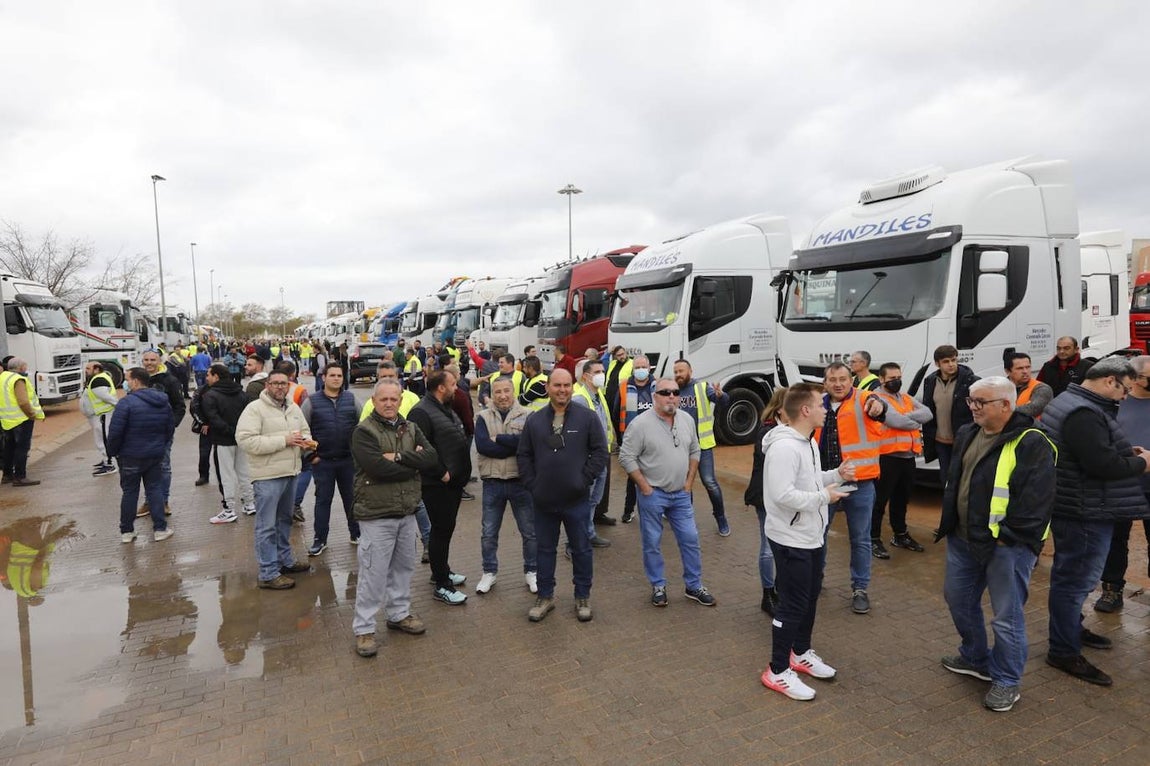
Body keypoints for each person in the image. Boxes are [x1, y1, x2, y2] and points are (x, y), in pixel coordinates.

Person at [936, 376, 1057, 712]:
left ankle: (1006, 679)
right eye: (971, 401)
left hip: (1006, 547)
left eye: (980, 402)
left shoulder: (1032, 442)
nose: (973, 408)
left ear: (1006, 405)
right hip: (964, 539)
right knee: (958, 599)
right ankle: (975, 658)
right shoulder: (968, 432)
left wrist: (1006, 538)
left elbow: (1036, 502)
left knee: (1006, 617)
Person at [1041, 357, 1150, 686]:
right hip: (1085, 512)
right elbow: (1101, 465)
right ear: (1109, 381)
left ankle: (1070, 631)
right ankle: (1063, 651)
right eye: (1124, 390)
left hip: (1078, 505)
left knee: (1069, 578)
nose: (1125, 397)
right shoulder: (1084, 413)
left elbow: (1090, 452)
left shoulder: (1070, 399)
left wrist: (1124, 452)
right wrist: (1142, 464)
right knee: (1074, 582)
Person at [760, 383, 854, 701]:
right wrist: (823, 497)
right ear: (805, 410)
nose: (825, 409)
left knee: (810, 596)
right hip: (790, 539)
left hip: (810, 535)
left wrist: (836, 475)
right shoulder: (785, 448)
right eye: (820, 405)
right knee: (793, 603)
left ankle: (799, 653)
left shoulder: (807, 442)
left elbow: (810, 480)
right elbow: (782, 494)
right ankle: (777, 670)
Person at [350, 378, 441, 659]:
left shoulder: (410, 427)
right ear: (374, 401)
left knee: (403, 569)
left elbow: (432, 458)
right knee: (373, 574)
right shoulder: (363, 431)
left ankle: (399, 614)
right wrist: (413, 464)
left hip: (406, 511)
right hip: (376, 514)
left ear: (401, 400)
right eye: (384, 399)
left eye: (394, 399)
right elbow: (377, 468)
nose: (389, 404)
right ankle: (364, 629)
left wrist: (398, 457)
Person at [817, 362, 911, 615]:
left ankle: (860, 588)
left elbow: (879, 408)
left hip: (860, 483)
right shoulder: (817, 404)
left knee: (860, 539)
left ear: (852, 381)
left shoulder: (865, 399)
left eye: (843, 379)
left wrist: (879, 407)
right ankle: (816, 579)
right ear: (825, 383)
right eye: (833, 380)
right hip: (825, 482)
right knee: (818, 535)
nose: (838, 384)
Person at [517, 369, 608, 623]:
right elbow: (524, 455)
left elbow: (600, 452)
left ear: (572, 386)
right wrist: (533, 484)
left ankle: (582, 596)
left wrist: (583, 480)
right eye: (557, 385)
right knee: (544, 550)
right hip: (544, 501)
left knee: (581, 549)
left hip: (575, 500)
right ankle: (545, 596)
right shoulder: (535, 420)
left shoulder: (587, 417)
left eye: (567, 385)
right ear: (547, 387)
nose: (562, 390)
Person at [620, 376, 717, 608]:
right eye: (665, 393)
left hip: (681, 495)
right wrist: (645, 487)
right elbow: (626, 457)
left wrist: (689, 482)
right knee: (652, 542)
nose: (671, 397)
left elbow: (695, 450)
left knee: (690, 539)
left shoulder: (686, 419)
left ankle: (694, 585)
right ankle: (658, 585)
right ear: (655, 396)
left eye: (675, 392)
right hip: (653, 495)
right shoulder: (640, 424)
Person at [235, 369, 314, 590]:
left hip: (290, 473)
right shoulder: (255, 409)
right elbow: (246, 441)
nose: (280, 387)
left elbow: (304, 430)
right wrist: (284, 440)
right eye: (275, 383)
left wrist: (306, 441)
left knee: (284, 521)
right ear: (267, 385)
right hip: (267, 476)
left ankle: (285, 561)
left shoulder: (293, 407)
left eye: (284, 383)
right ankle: (268, 572)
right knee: (266, 526)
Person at [407, 369, 472, 605]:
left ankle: (441, 571)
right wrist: (441, 473)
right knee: (440, 532)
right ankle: (442, 585)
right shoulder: (421, 412)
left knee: (445, 530)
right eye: (453, 384)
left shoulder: (443, 407)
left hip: (452, 484)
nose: (457, 388)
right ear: (441, 387)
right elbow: (419, 450)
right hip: (437, 485)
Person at [1095, 355, 1150, 613]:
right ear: (1136, 379)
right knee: (1115, 540)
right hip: (1121, 485)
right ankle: (1112, 590)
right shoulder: (1115, 404)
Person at [474, 377, 537, 595]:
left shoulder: (528, 415)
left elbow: (529, 445)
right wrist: (514, 445)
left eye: (506, 391)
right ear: (492, 394)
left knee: (530, 532)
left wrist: (499, 438)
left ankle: (532, 571)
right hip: (492, 483)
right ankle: (489, 572)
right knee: (488, 532)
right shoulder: (482, 417)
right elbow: (483, 446)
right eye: (498, 392)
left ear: (513, 391)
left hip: (520, 482)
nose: (502, 396)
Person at [870, 363, 933, 558]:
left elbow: (928, 413)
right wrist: (909, 420)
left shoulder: (905, 397)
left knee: (902, 499)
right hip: (886, 457)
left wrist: (905, 417)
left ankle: (900, 534)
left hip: (907, 457)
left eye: (898, 377)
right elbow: (896, 421)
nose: (896, 381)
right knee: (879, 501)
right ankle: (872, 538)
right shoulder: (876, 399)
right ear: (881, 379)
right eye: (892, 378)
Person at [107, 367, 175, 543]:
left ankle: (127, 531)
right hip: (154, 454)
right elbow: (169, 429)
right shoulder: (163, 402)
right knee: (154, 489)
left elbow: (115, 432)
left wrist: (112, 452)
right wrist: (160, 446)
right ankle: (160, 529)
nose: (126, 383)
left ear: (136, 381)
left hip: (130, 455)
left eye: (128, 379)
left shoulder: (126, 404)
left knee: (130, 492)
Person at [302, 364, 362, 555]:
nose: (336, 378)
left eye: (339, 375)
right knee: (323, 501)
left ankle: (356, 534)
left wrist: (359, 455)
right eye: (332, 375)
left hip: (347, 461)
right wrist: (311, 456)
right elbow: (303, 430)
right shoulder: (311, 402)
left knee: (352, 499)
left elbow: (362, 427)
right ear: (324, 377)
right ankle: (320, 540)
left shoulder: (351, 399)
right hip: (323, 462)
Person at [673, 359, 731, 535]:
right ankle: (687, 518)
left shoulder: (702, 387)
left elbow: (723, 401)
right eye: (676, 372)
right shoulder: (673, 391)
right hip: (681, 447)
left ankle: (721, 518)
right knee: (684, 484)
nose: (678, 375)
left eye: (681, 371)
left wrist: (721, 395)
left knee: (709, 482)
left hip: (702, 446)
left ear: (690, 371)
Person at [744, 388, 784, 615]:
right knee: (768, 547)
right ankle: (767, 594)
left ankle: (778, 589)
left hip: (783, 497)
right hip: (766, 497)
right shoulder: (767, 431)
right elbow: (770, 459)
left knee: (783, 546)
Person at [201, 363, 255, 524]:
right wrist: (239, 432)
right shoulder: (241, 393)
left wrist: (228, 430)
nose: (206, 378)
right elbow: (248, 414)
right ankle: (249, 503)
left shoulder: (210, 395)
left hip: (223, 440)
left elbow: (213, 418)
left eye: (209, 375)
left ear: (216, 376)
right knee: (244, 472)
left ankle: (229, 509)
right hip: (241, 439)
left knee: (225, 475)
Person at [922, 345, 980, 483]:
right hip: (941, 442)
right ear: (937, 364)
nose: (951, 364)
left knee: (964, 479)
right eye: (946, 361)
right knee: (946, 479)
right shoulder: (930, 381)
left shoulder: (972, 381)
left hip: (964, 440)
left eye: (954, 360)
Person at [572, 358, 615, 542]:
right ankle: (576, 539)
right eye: (597, 372)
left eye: (602, 371)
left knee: (594, 499)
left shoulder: (599, 396)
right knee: (584, 499)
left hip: (600, 456)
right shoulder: (580, 399)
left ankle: (587, 533)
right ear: (586, 376)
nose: (601, 375)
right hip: (587, 459)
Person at [139, 350, 186, 517]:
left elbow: (180, 406)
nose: (149, 363)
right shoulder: (138, 379)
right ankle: (149, 501)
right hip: (141, 432)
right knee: (146, 467)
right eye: (146, 360)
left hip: (162, 432)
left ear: (159, 361)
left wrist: (171, 425)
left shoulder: (170, 380)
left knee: (163, 466)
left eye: (153, 360)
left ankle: (164, 501)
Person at [618, 354, 655, 523]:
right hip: (632, 439)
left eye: (643, 367)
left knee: (657, 473)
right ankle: (628, 510)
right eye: (637, 367)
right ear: (633, 369)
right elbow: (616, 412)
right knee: (633, 475)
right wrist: (622, 439)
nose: (641, 370)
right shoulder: (624, 386)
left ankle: (659, 508)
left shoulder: (657, 386)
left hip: (654, 438)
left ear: (649, 368)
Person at [0, 358, 45, 487]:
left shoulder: (3, 377)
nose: (26, 368)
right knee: (22, 448)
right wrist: (32, 414)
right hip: (21, 419)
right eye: (25, 366)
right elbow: (23, 402)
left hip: (6, 419)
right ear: (21, 368)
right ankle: (20, 476)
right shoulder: (18, 380)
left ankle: (7, 475)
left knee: (9, 448)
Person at [80, 361, 119, 477]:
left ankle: (109, 464)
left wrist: (118, 405)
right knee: (101, 439)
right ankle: (105, 459)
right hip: (99, 415)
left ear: (96, 369)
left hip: (102, 415)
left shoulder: (98, 380)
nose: (86, 371)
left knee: (103, 440)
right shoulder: (98, 378)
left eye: (88, 368)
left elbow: (106, 397)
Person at [1005, 352, 1052, 419]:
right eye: (1020, 368)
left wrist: (1002, 411)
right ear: (1007, 371)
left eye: (1028, 367)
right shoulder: (999, 388)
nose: (1025, 371)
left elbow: (1032, 410)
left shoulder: (1042, 388)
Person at [188, 371, 213, 486]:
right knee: (204, 453)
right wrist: (203, 422)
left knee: (222, 455)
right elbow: (194, 407)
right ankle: (203, 475)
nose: (207, 378)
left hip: (221, 427)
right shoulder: (202, 390)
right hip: (205, 428)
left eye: (209, 375)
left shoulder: (224, 390)